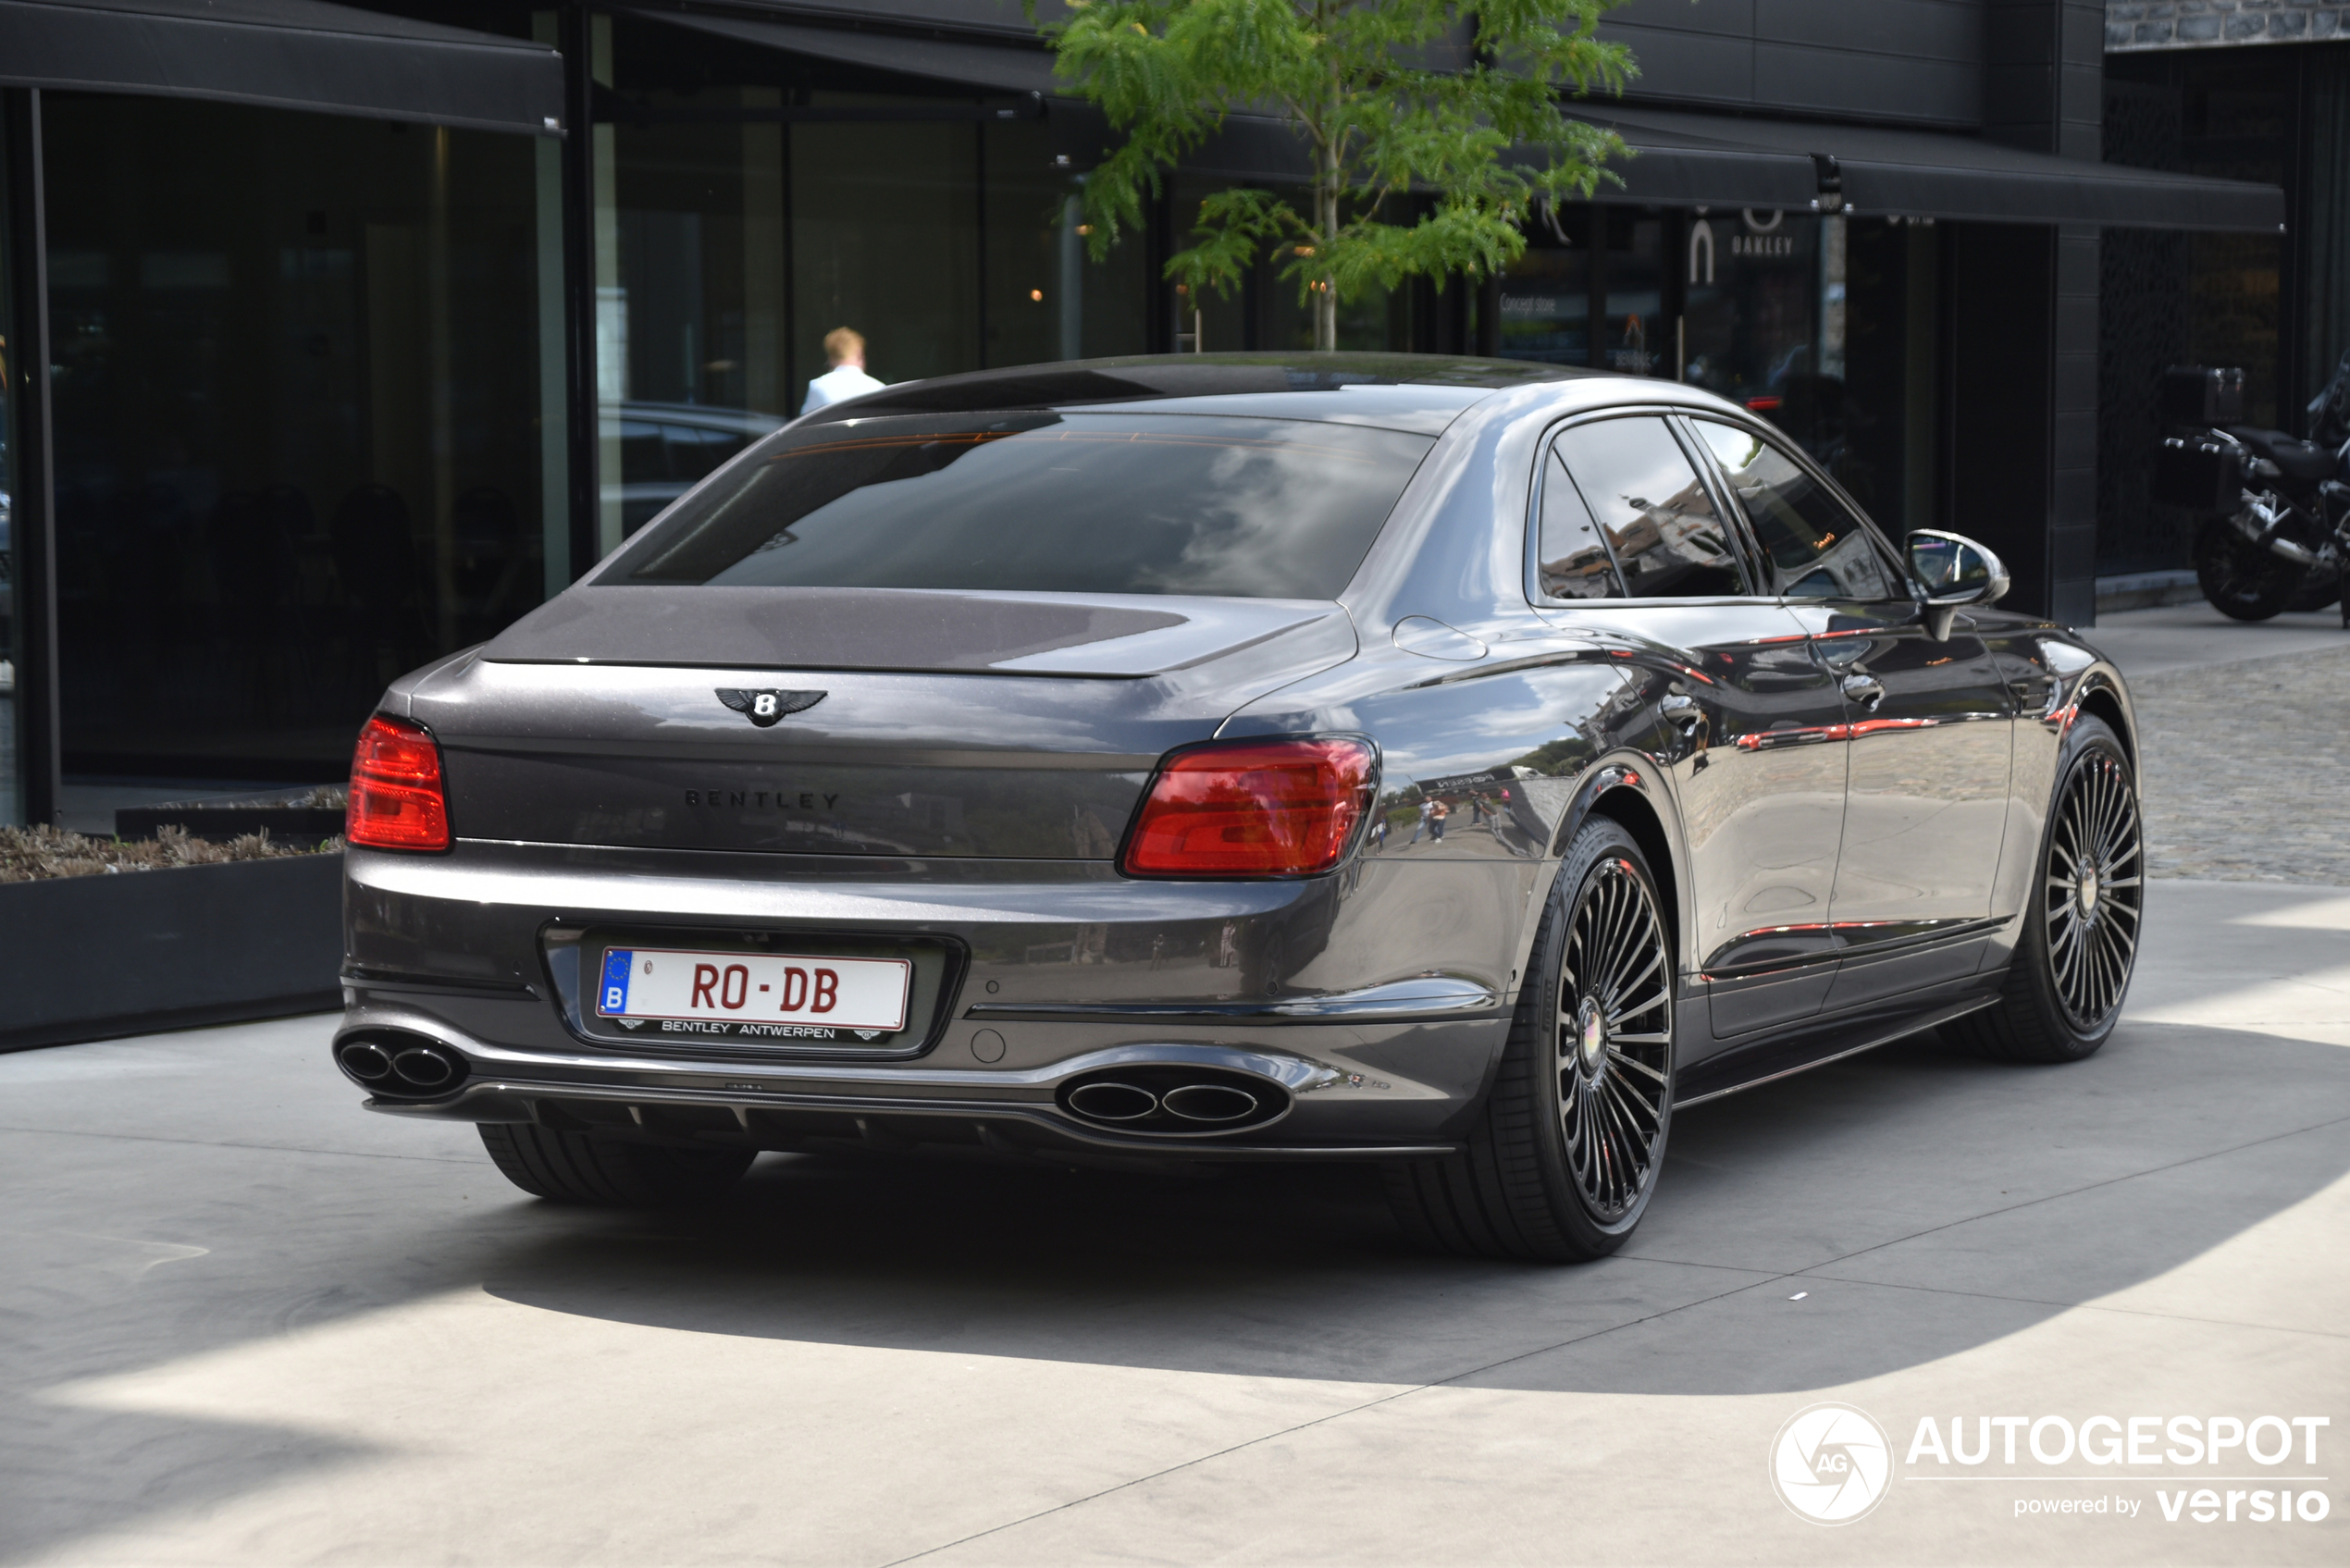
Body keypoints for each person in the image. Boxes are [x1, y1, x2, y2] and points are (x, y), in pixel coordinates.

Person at [801, 327, 885, 414]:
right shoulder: (879, 389)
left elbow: (804, 424)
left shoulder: (818, 387)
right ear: (860, 355)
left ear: (830, 359)